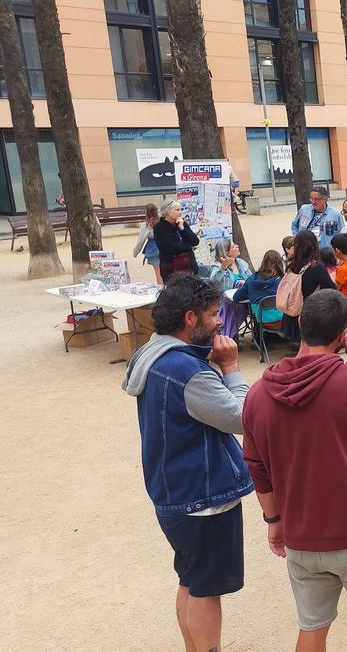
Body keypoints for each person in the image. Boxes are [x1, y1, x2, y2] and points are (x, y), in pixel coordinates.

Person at [242, 290, 347, 651]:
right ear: (344, 333)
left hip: (302, 534)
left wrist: (274, 521)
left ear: (300, 324)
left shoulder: (258, 395)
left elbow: (256, 467)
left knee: (312, 628)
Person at [122, 275, 252, 652]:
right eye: (214, 314)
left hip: (175, 492)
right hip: (203, 495)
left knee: (191, 581)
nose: (219, 323)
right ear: (191, 318)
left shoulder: (152, 353)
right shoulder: (188, 372)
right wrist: (231, 369)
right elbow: (242, 419)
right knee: (206, 590)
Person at [207, 239, 254, 338]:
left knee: (257, 301)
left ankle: (260, 334)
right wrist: (222, 269)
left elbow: (252, 279)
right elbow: (212, 284)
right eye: (233, 246)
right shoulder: (217, 266)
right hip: (227, 300)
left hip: (244, 298)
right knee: (228, 304)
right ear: (227, 252)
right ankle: (226, 336)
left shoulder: (241, 263)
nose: (237, 246)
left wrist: (245, 283)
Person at [233, 250, 285, 326]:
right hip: (282, 319)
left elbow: (236, 298)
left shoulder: (251, 279)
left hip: (262, 320)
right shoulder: (282, 281)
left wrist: (251, 292)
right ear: (280, 264)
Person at [154, 199, 200, 281]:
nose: (180, 212)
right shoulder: (159, 228)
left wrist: (183, 229)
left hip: (189, 268)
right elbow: (168, 247)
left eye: (180, 209)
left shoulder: (182, 223)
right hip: (171, 269)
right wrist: (188, 246)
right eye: (177, 210)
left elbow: (195, 241)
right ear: (168, 212)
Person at [132, 202, 162, 283]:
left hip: (153, 248)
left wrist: (135, 252)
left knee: (158, 273)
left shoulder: (146, 225)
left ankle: (161, 289)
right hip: (163, 246)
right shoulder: (161, 221)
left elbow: (141, 241)